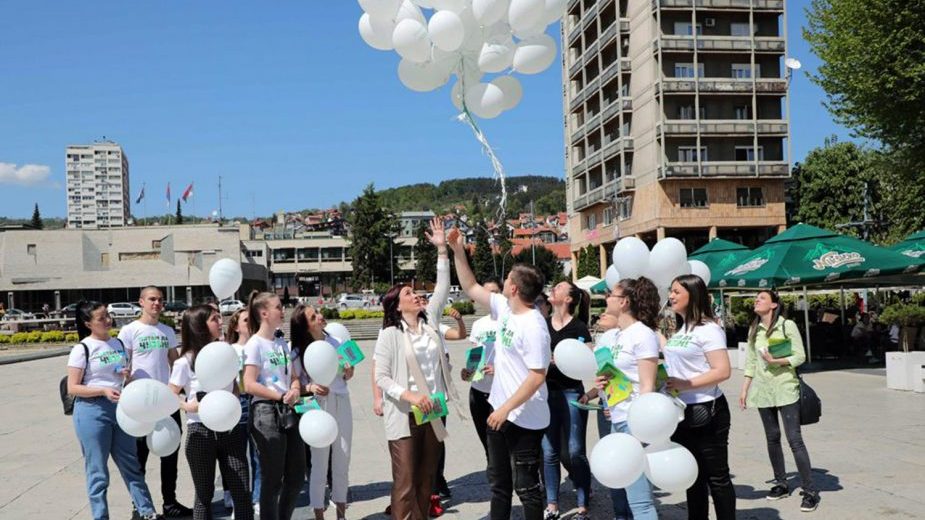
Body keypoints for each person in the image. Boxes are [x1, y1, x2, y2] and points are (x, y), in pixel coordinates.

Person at [449, 229, 551, 520]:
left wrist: (506, 408)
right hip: (499, 412)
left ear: (515, 288)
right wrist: (457, 249)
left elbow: (536, 376)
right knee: (499, 483)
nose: (502, 281)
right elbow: (470, 286)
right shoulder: (506, 309)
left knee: (527, 487)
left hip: (525, 418)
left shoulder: (533, 326)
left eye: (507, 279)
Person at [374, 217, 457, 520]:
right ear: (397, 305)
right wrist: (408, 396)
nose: (416, 295)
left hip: (433, 408)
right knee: (406, 482)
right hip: (404, 413)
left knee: (427, 480)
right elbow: (381, 377)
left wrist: (442, 250)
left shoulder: (430, 321)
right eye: (409, 294)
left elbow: (444, 285)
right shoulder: (389, 334)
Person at [67, 301, 160, 520]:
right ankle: (101, 516)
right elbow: (73, 387)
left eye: (107, 316)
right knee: (98, 470)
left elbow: (118, 374)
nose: (108, 321)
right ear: (88, 323)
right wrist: (102, 390)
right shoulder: (83, 348)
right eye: (101, 318)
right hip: (92, 411)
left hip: (120, 409)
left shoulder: (117, 343)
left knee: (132, 464)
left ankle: (147, 512)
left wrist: (125, 375)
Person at [169, 305, 254, 520]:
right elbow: (170, 395)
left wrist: (232, 397)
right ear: (199, 326)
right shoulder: (184, 362)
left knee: (242, 490)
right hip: (200, 431)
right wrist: (188, 406)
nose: (220, 321)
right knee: (203, 495)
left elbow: (235, 384)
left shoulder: (225, 353)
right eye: (214, 319)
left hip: (230, 428)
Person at [588, 278, 661, 520]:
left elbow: (648, 384)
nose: (607, 297)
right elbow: (622, 377)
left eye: (611, 294)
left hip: (635, 421)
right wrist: (602, 385)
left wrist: (642, 429)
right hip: (617, 418)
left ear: (624, 302)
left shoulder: (642, 334)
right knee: (630, 493)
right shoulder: (618, 335)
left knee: (640, 500)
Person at [740, 290, 819, 512]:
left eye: (762, 298)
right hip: (762, 390)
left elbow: (800, 356)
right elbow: (751, 363)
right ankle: (781, 483)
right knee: (772, 438)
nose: (756, 300)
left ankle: (810, 491)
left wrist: (776, 361)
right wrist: (745, 389)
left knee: (794, 439)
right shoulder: (754, 329)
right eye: (756, 298)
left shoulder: (787, 325)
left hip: (785, 387)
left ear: (774, 305)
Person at [663, 274, 735, 520]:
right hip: (681, 411)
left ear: (692, 295)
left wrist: (686, 383)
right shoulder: (682, 328)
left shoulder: (709, 329)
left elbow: (722, 371)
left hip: (707, 410)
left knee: (717, 478)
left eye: (676, 292)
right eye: (670, 291)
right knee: (691, 476)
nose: (671, 296)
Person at [118, 286, 192, 518]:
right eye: (152, 299)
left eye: (160, 300)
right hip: (140, 403)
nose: (157, 304)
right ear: (141, 302)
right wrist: (124, 377)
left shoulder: (167, 331)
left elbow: (175, 362)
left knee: (170, 452)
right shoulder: (129, 331)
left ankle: (170, 502)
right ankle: (139, 506)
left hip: (165, 401)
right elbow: (123, 363)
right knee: (139, 457)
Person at [243, 291, 305, 520]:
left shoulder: (281, 342)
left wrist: (296, 389)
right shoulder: (254, 344)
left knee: (297, 474)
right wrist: (279, 396)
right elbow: (249, 384)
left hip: (289, 408)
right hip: (266, 412)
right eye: (278, 307)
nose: (283, 311)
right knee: (273, 475)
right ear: (264, 313)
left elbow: (294, 376)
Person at [291, 303, 356, 520]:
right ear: (305, 326)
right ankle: (318, 513)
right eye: (313, 316)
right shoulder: (297, 351)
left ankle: (341, 513)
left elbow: (351, 371)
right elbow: (293, 385)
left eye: (317, 313)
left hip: (341, 400)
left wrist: (348, 370)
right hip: (315, 407)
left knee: (343, 458)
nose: (320, 316)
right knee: (319, 462)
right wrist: (309, 387)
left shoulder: (337, 340)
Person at [542, 281, 593, 520]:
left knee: (574, 450)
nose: (554, 288)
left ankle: (583, 503)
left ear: (570, 299)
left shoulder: (580, 327)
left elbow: (590, 362)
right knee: (549, 451)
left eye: (560, 286)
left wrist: (564, 360)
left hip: (573, 392)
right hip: (546, 393)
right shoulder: (542, 325)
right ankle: (552, 505)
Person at [460, 279, 502, 458]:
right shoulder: (479, 324)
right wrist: (468, 372)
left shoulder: (510, 322)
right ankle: (494, 476)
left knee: (500, 442)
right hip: (479, 391)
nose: (489, 297)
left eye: (494, 292)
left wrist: (499, 370)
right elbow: (475, 355)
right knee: (487, 444)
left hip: (501, 392)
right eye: (485, 293)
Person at [226, 308, 261, 516]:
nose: (249, 323)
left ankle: (257, 497)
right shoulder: (230, 350)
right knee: (238, 457)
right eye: (246, 320)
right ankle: (239, 497)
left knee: (258, 455)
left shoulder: (259, 346)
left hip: (257, 401)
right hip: (237, 403)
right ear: (236, 326)